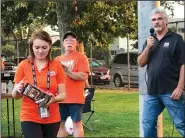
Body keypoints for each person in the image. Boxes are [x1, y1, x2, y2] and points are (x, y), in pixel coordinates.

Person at [137, 7, 185, 137]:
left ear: (166, 21)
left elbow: (183, 64)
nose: (156, 22)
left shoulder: (176, 39)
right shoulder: (149, 41)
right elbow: (141, 62)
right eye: (153, 20)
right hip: (152, 92)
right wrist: (147, 47)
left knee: (181, 124)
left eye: (159, 19)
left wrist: (180, 87)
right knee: (147, 123)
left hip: (171, 92)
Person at [12, 30, 66, 138]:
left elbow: (63, 94)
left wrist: (53, 99)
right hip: (29, 116)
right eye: (37, 47)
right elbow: (15, 96)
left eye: (44, 47)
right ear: (31, 47)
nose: (40, 51)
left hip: (52, 116)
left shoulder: (56, 65)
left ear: (50, 46)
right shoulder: (23, 65)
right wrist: (17, 89)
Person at [55, 31, 89, 137]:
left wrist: (67, 72)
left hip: (75, 97)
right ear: (63, 44)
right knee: (60, 125)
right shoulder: (57, 60)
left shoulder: (81, 57)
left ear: (76, 43)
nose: (69, 42)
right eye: (66, 40)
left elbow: (83, 76)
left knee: (77, 124)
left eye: (72, 40)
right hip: (60, 97)